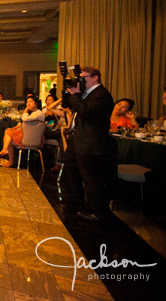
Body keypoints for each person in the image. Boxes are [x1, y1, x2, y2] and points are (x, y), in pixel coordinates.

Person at [67, 67, 117, 221]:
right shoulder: (86, 94)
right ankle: (77, 203)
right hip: (78, 139)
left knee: (91, 178)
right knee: (71, 171)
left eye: (84, 78)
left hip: (91, 143)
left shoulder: (102, 95)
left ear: (95, 78)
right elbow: (72, 106)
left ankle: (98, 212)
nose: (81, 81)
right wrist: (70, 93)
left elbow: (86, 111)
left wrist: (76, 95)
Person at [0, 95, 45, 167]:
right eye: (27, 102)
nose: (28, 104)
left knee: (8, 135)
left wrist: (25, 110)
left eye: (31, 102)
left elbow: (25, 119)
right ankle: (8, 155)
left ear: (36, 103)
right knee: (8, 137)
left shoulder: (38, 113)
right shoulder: (33, 114)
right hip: (29, 137)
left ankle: (7, 154)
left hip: (32, 138)